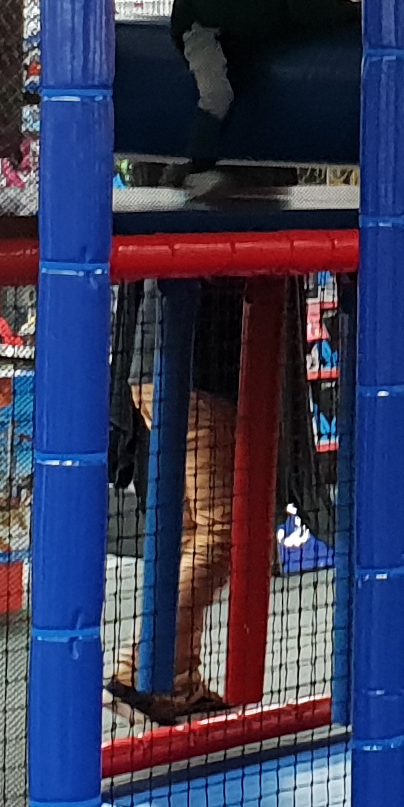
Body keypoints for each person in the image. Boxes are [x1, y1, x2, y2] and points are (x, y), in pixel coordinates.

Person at [111, 287, 251, 724]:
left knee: (191, 532)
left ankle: (178, 680)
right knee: (220, 534)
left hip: (154, 370)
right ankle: (141, 668)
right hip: (197, 375)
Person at [168, 0, 361, 182]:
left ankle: (202, 166)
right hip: (199, 16)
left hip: (221, 14)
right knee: (217, 93)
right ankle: (196, 167)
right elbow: (306, 4)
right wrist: (355, 12)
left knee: (237, 83)